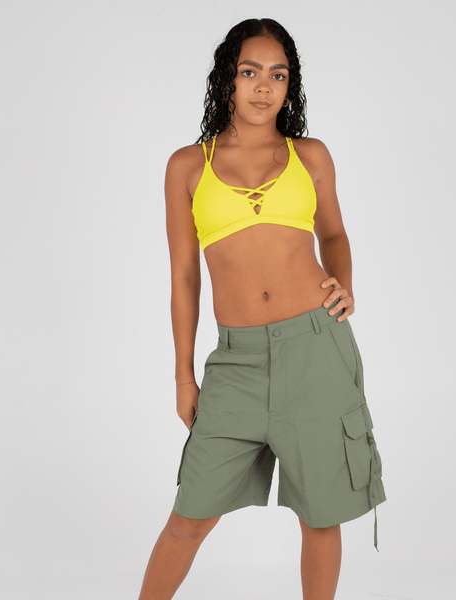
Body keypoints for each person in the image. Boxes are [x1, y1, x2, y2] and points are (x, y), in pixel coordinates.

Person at [137, 17, 386, 600]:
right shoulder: (187, 166)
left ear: (289, 85)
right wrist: (183, 375)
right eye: (250, 72)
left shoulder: (311, 155)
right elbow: (184, 277)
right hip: (237, 364)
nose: (263, 86)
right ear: (227, 77)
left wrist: (345, 284)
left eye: (278, 75)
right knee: (189, 518)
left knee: (320, 516)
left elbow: (335, 235)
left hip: (317, 350)